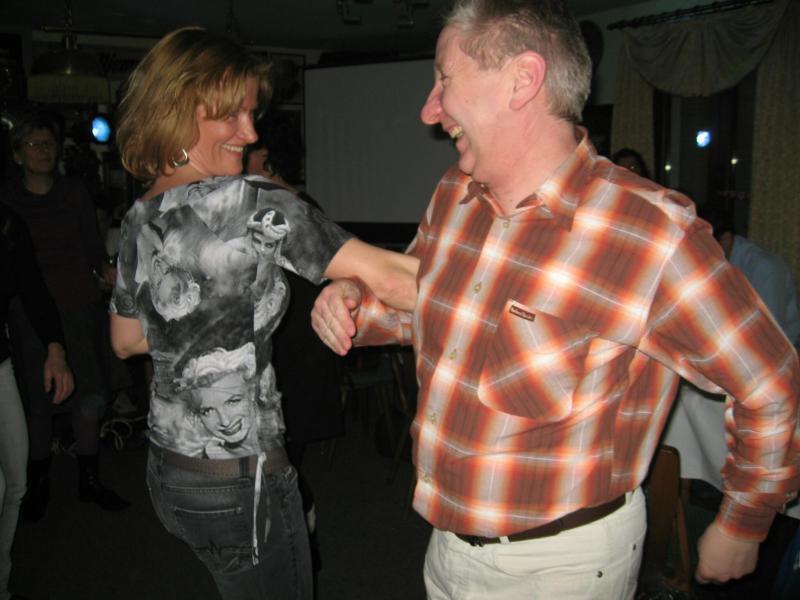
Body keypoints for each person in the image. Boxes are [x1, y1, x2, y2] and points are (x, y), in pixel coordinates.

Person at [311, 1, 800, 598]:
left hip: (562, 565)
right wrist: (355, 306)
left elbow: (770, 380)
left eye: (444, 80)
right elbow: (427, 309)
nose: (430, 110)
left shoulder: (648, 232)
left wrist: (745, 521)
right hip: (445, 540)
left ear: (522, 80)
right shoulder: (453, 196)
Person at [110, 27, 418, 600]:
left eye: (252, 114)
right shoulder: (253, 201)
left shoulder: (140, 214)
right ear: (179, 107)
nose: (250, 133)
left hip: (170, 471)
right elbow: (401, 281)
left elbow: (127, 339)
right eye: (232, 115)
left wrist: (209, 316)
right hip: (240, 480)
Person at [661, 203, 800, 597]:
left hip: (780, 360)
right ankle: (698, 487)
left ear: (724, 238)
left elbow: (767, 347)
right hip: (732, 365)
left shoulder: (764, 267)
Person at [2, 112, 130, 518]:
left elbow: (93, 248)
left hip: (79, 306)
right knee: (39, 399)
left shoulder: (73, 193)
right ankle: (36, 483)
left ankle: (89, 479)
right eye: (34, 144)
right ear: (17, 154)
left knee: (89, 394)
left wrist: (106, 271)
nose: (44, 151)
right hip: (32, 313)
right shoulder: (7, 199)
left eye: (49, 144)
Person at [243, 115, 343, 563]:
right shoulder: (279, 206)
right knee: (277, 460)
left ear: (264, 157)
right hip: (286, 351)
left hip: (293, 355)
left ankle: (300, 540)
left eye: (246, 150)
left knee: (281, 459)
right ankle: (297, 541)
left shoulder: (284, 210)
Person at [0, 203, 74, 600]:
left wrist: (55, 349)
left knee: (16, 480)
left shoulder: (8, 223)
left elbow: (32, 288)